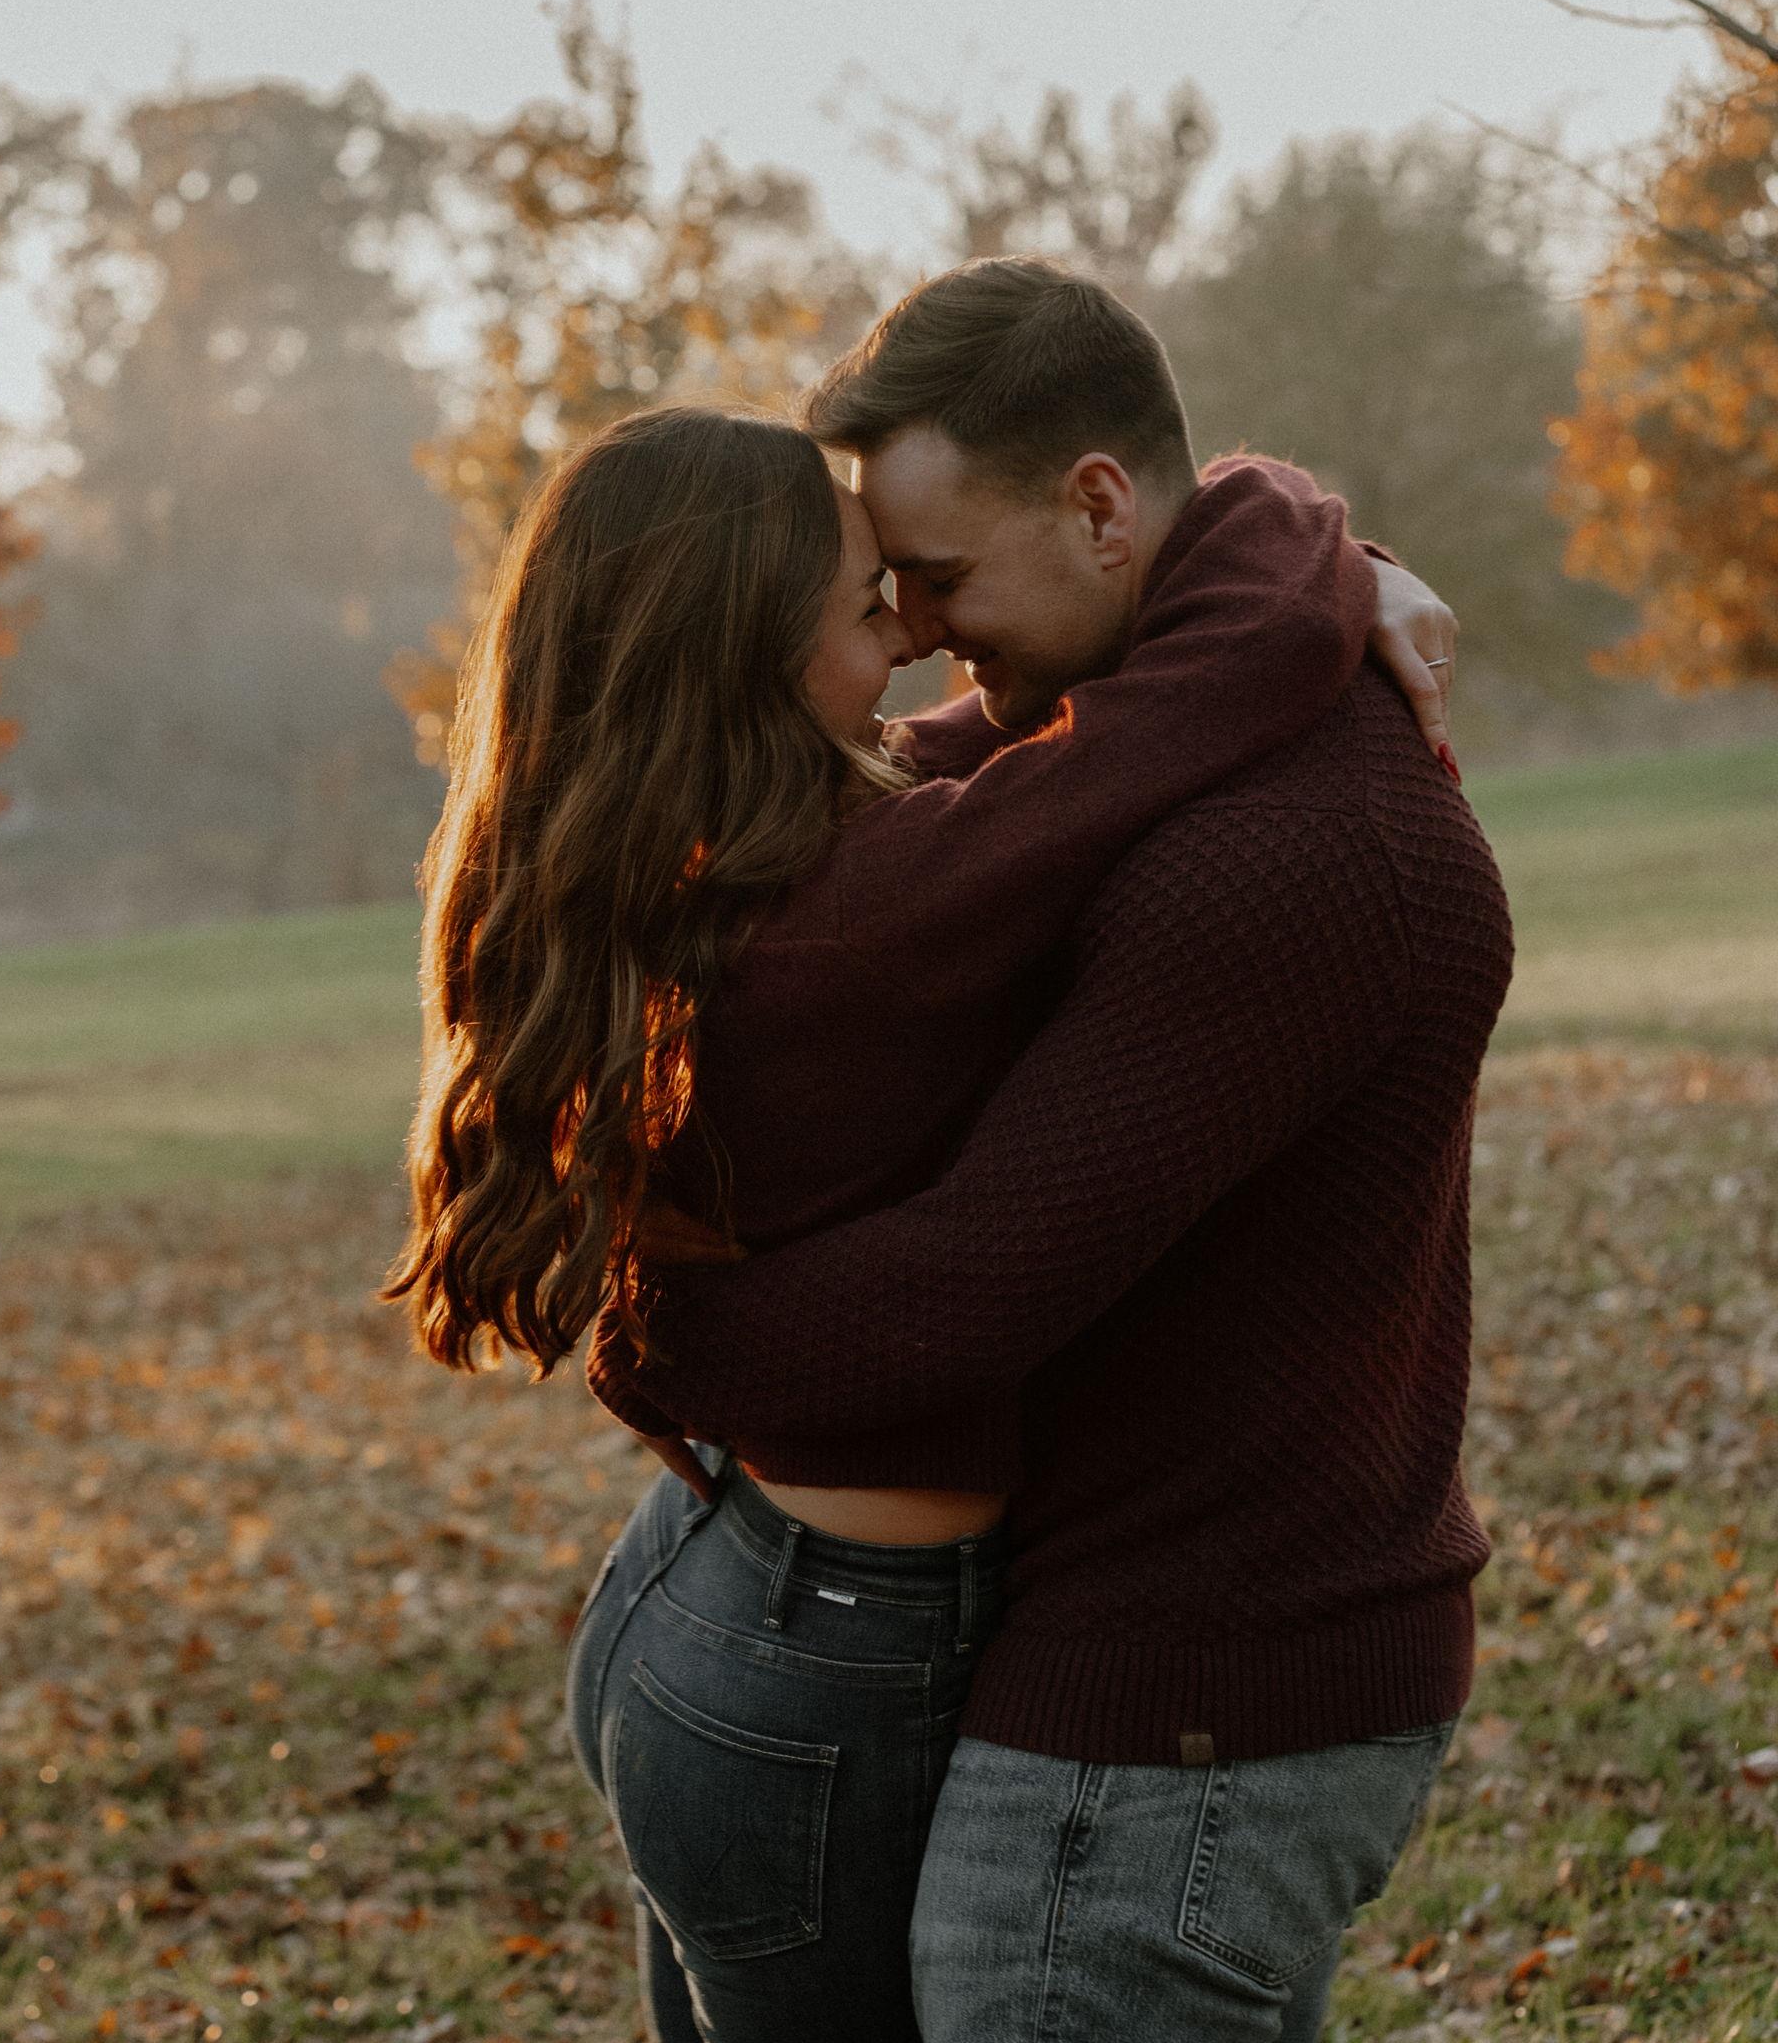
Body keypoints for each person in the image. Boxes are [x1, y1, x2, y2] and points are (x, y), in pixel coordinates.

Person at [380, 263, 1469, 2043]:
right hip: (808, 1636)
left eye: (930, 583)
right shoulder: (868, 892)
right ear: (752, 657)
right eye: (874, 602)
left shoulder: (749, 842)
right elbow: (1133, 744)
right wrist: (1312, 568)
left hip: (737, 1590)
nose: (916, 641)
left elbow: (1095, 740)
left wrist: (1312, 555)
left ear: (1103, 505)